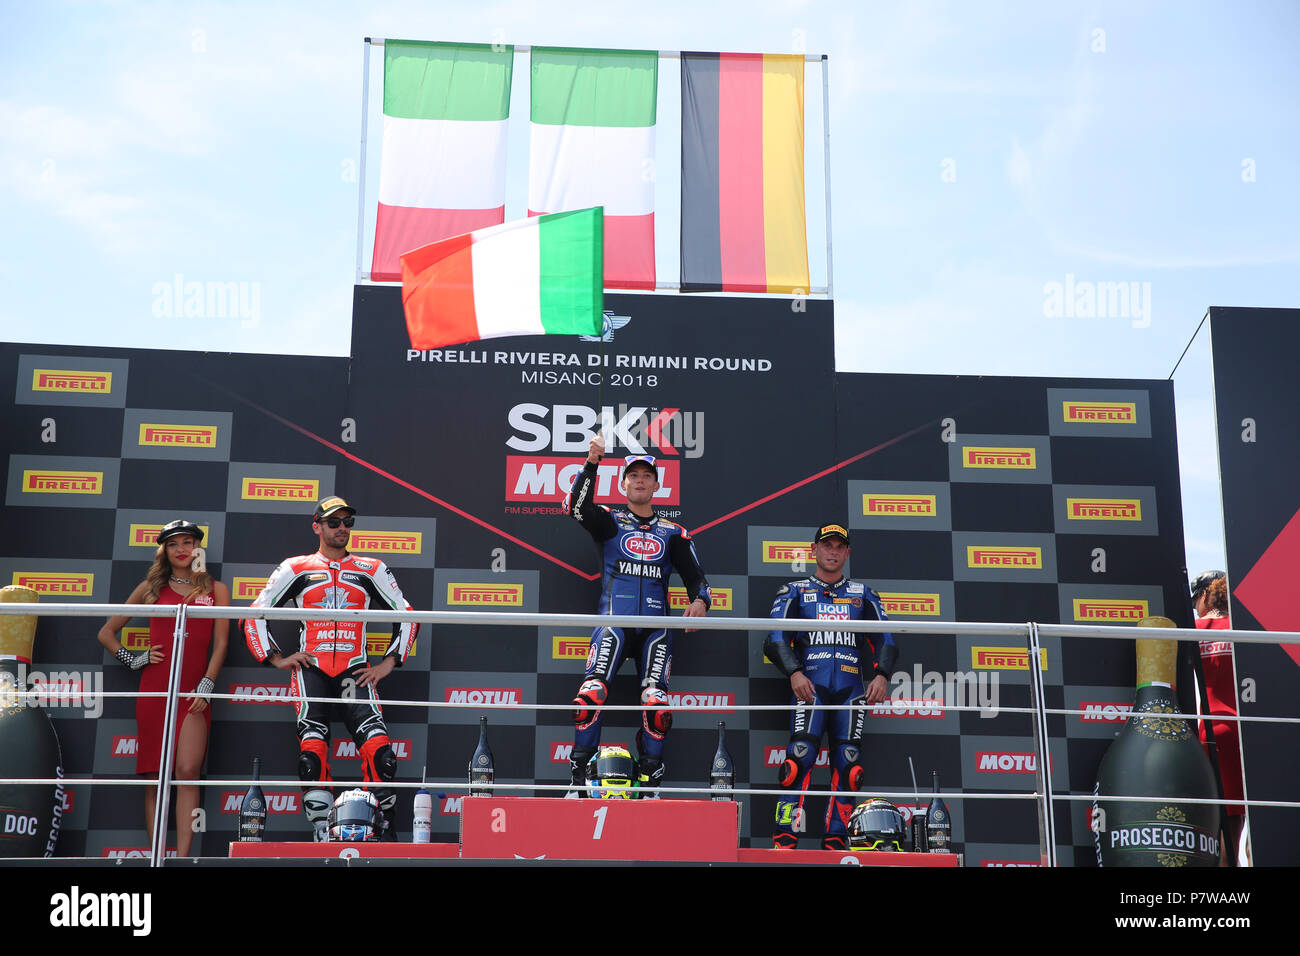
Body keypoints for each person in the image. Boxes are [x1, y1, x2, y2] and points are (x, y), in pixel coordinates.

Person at [242, 496, 417, 840]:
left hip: (356, 669)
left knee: (381, 755)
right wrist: (275, 656)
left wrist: (389, 662)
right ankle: (322, 835)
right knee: (312, 754)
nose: (342, 528)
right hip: (312, 670)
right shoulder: (296, 567)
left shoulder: (371, 568)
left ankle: (380, 834)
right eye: (334, 522)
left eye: (348, 522)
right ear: (317, 526)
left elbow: (408, 615)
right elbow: (254, 613)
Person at [562, 433, 711, 796]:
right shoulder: (609, 521)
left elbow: (698, 580)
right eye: (633, 475)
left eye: (647, 475)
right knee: (590, 695)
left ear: (657, 484)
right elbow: (575, 508)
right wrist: (592, 462)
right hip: (614, 623)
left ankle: (650, 786)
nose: (640, 480)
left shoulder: (674, 532)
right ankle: (578, 780)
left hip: (656, 630)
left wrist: (700, 602)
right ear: (623, 482)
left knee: (657, 705)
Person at [97, 519, 229, 857]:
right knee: (156, 775)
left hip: (195, 692)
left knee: (187, 771)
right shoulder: (151, 588)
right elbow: (106, 633)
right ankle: (157, 856)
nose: (182, 549)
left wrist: (208, 682)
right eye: (174, 544)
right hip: (155, 689)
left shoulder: (216, 590)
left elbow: (221, 644)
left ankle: (182, 859)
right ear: (164, 551)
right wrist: (135, 660)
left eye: (188, 542)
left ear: (197, 547)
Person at [765, 523, 897, 850]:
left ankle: (836, 838)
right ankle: (788, 834)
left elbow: (887, 640)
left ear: (847, 553)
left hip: (851, 691)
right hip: (810, 688)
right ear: (814, 550)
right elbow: (775, 639)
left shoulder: (863, 594)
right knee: (800, 758)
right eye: (827, 545)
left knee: (850, 766)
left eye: (839, 546)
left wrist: (881, 675)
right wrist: (795, 672)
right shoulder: (795, 591)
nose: (833, 551)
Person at [1191, 569, 1246, 865]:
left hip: (1212, 733)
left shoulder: (1197, 629)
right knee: (1246, 824)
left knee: (1216, 824)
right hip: (1251, 730)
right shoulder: (1246, 627)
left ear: (1203, 596)